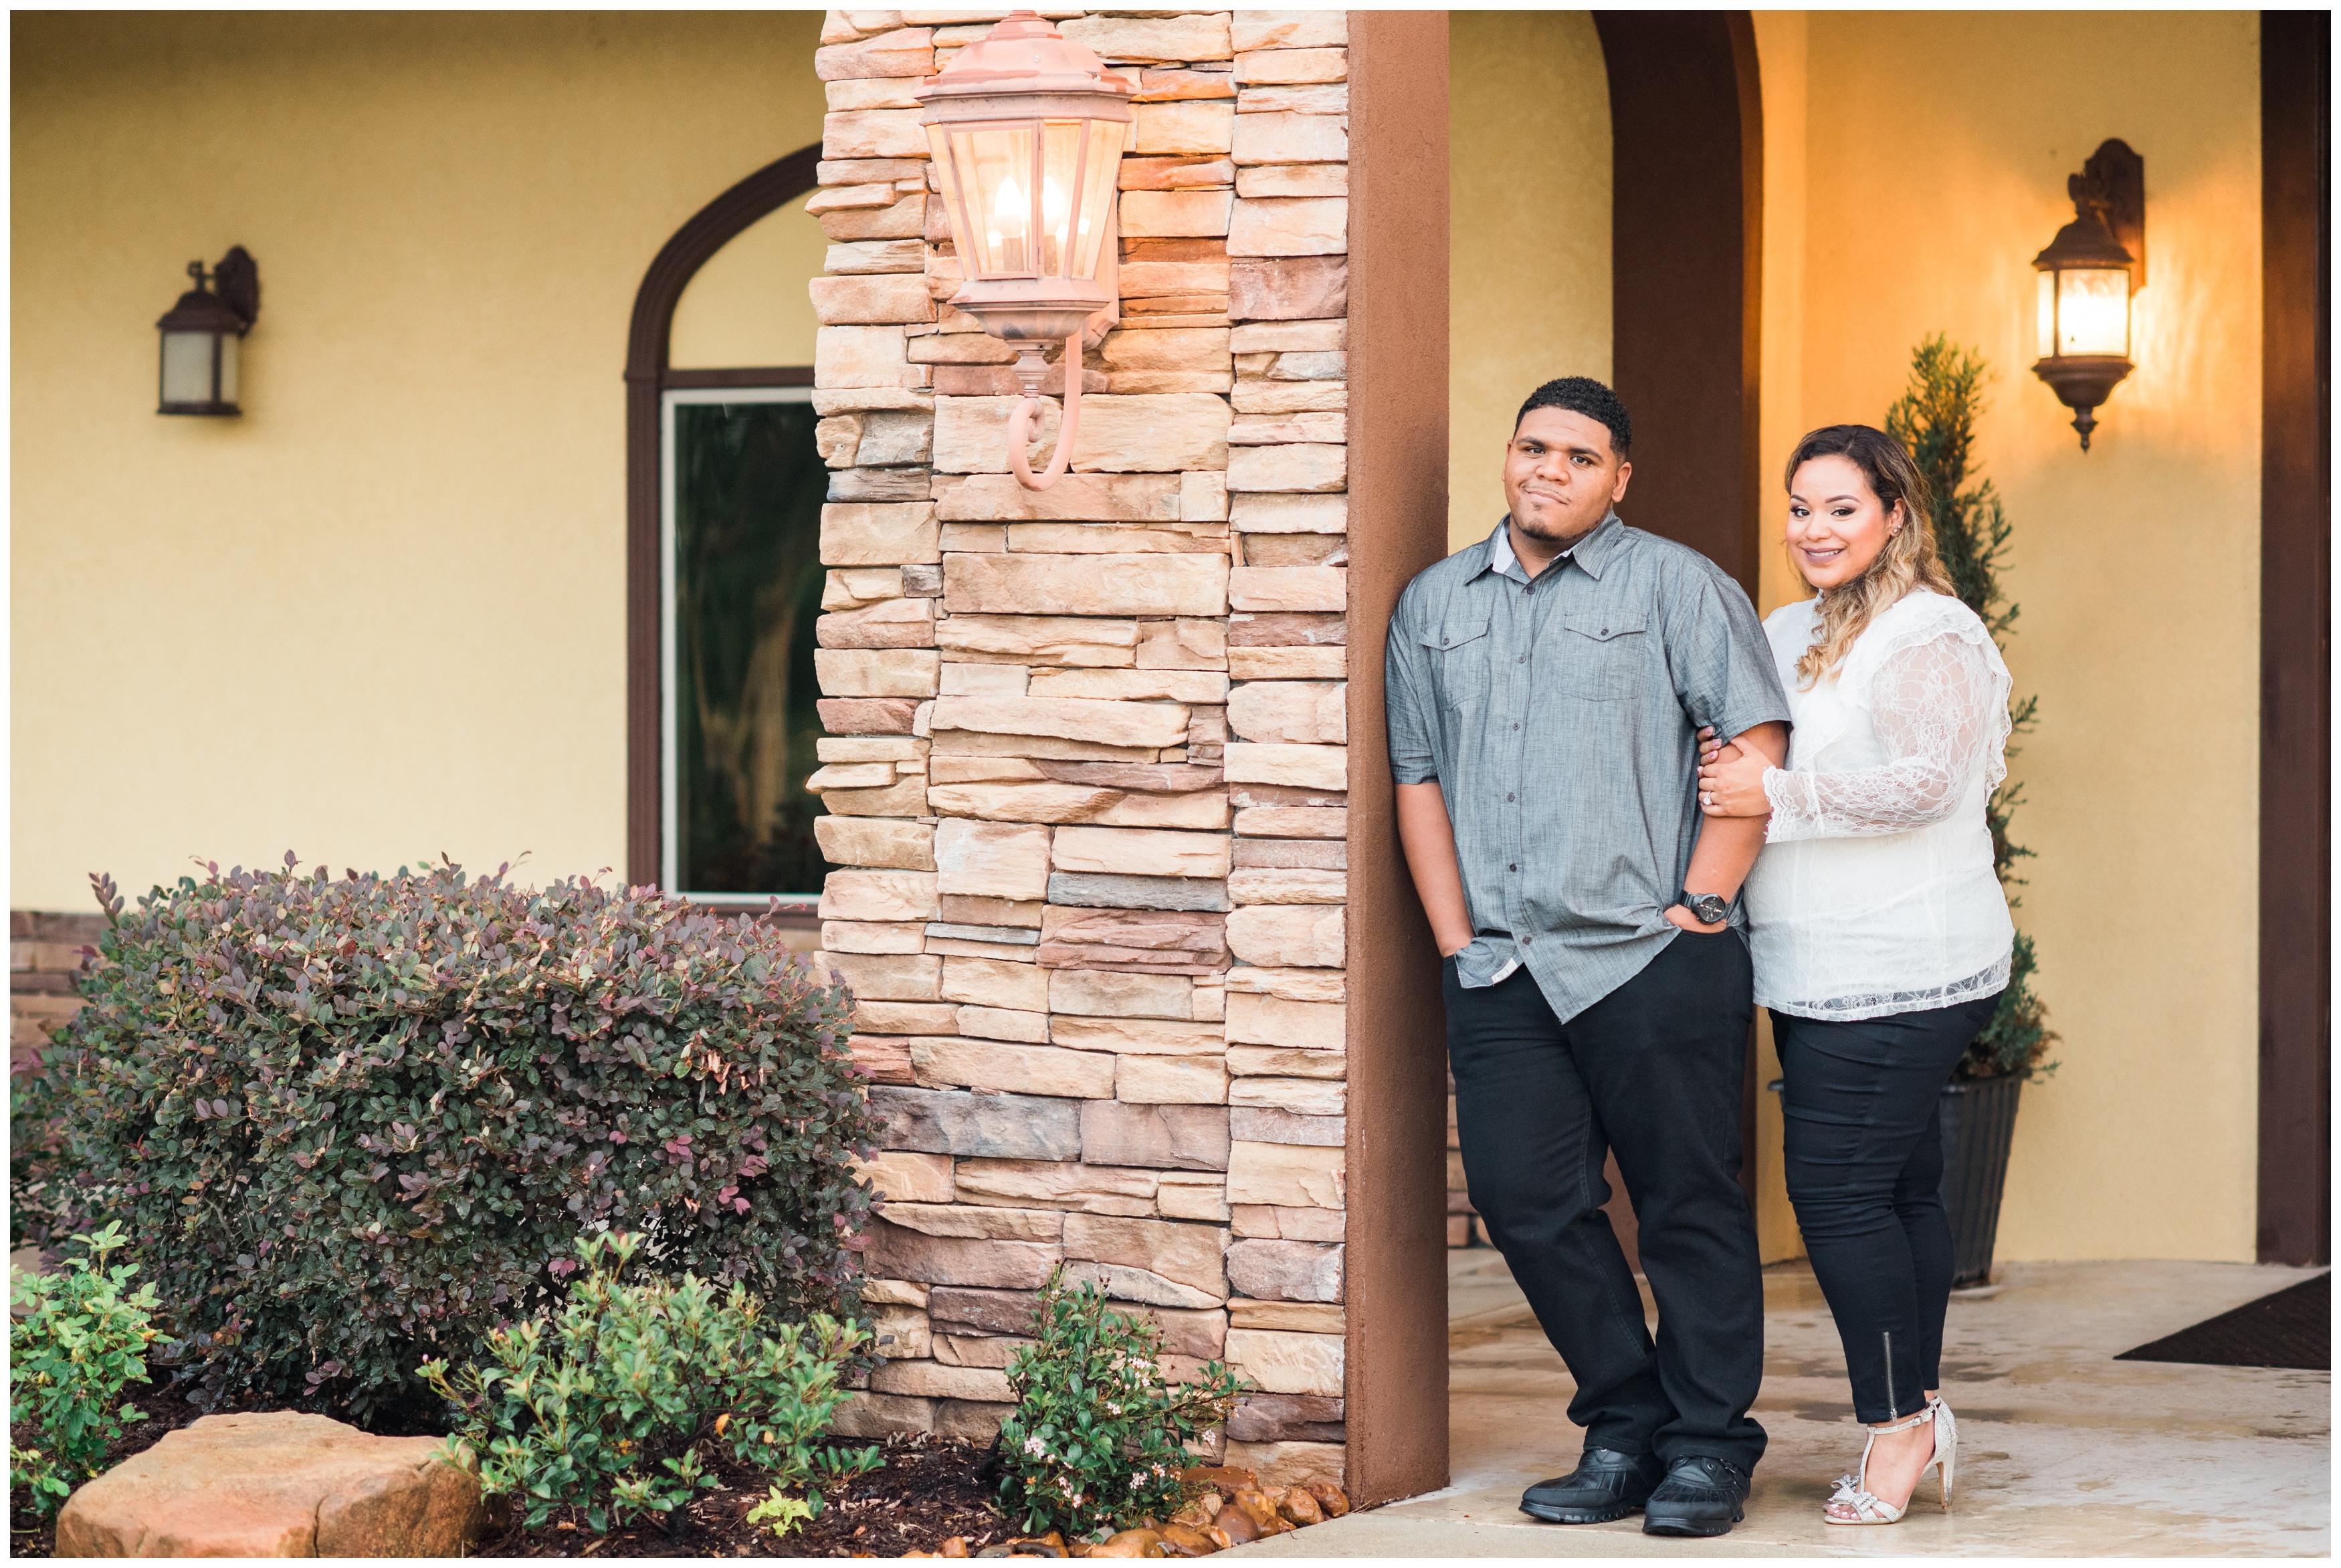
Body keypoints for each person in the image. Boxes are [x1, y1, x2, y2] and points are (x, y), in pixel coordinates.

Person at [1385, 376, 1792, 1538]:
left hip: (1650, 955)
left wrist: (1703, 908)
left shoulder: (1678, 585)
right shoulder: (1434, 604)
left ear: (1619, 478)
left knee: (1688, 1208)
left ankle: (1710, 1448)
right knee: (1527, 1202)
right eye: (1532, 448)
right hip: (1503, 968)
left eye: (1578, 457)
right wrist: (1456, 938)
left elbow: (1754, 748)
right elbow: (1417, 777)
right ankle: (1624, 1424)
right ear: (1506, 458)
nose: (1548, 471)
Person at [1696, 423, 2014, 1527]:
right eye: (1800, 507)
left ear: (1892, 514)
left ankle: (1898, 1424)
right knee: (1898, 1188)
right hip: (1810, 962)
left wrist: (1770, 799)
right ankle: (1917, 1405)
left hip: (1911, 960)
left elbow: (1929, 781)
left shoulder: (1931, 631)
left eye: (1840, 507)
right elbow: (1743, 749)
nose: (1814, 529)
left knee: (1835, 1195)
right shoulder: (1786, 628)